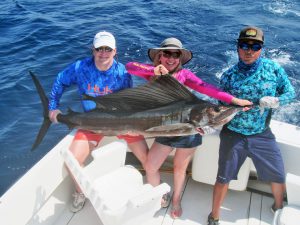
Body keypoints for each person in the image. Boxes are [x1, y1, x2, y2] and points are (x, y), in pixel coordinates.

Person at [126, 37, 251, 219]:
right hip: (165, 128)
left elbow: (209, 89)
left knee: (179, 168)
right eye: (167, 53)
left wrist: (235, 101)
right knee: (150, 165)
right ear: (160, 56)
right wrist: (153, 69)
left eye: (175, 54)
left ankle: (176, 200)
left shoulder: (185, 75)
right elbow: (129, 66)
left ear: (180, 58)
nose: (171, 58)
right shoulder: (151, 72)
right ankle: (160, 194)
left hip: (189, 127)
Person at [48, 31, 149, 213]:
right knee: (71, 162)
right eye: (99, 49)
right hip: (91, 124)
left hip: (120, 122)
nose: (103, 53)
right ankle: (81, 191)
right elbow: (59, 81)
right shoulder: (80, 68)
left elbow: (128, 100)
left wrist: (132, 125)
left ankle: (150, 189)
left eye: (107, 49)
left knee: (147, 159)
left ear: (115, 51)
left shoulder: (122, 73)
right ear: (92, 50)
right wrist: (53, 107)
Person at [207, 26, 295, 225]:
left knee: (278, 174)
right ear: (237, 48)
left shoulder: (273, 69)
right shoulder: (229, 76)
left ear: (261, 49)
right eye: (244, 45)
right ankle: (214, 216)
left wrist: (276, 101)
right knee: (223, 178)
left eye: (255, 46)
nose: (249, 50)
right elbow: (219, 106)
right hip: (232, 134)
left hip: (261, 133)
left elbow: (290, 93)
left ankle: (278, 207)